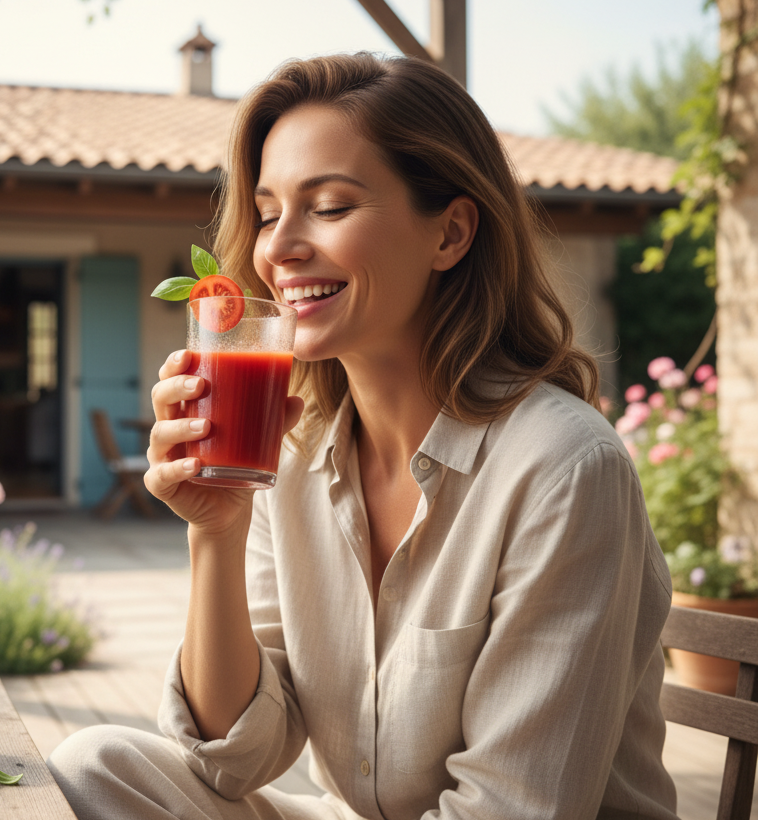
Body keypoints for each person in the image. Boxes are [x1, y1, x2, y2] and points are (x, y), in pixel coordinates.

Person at [48, 52, 679, 820]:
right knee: (94, 765)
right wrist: (215, 532)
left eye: (329, 207)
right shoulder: (290, 452)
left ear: (450, 233)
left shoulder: (563, 468)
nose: (278, 248)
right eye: (269, 213)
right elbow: (236, 758)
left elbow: (511, 808)